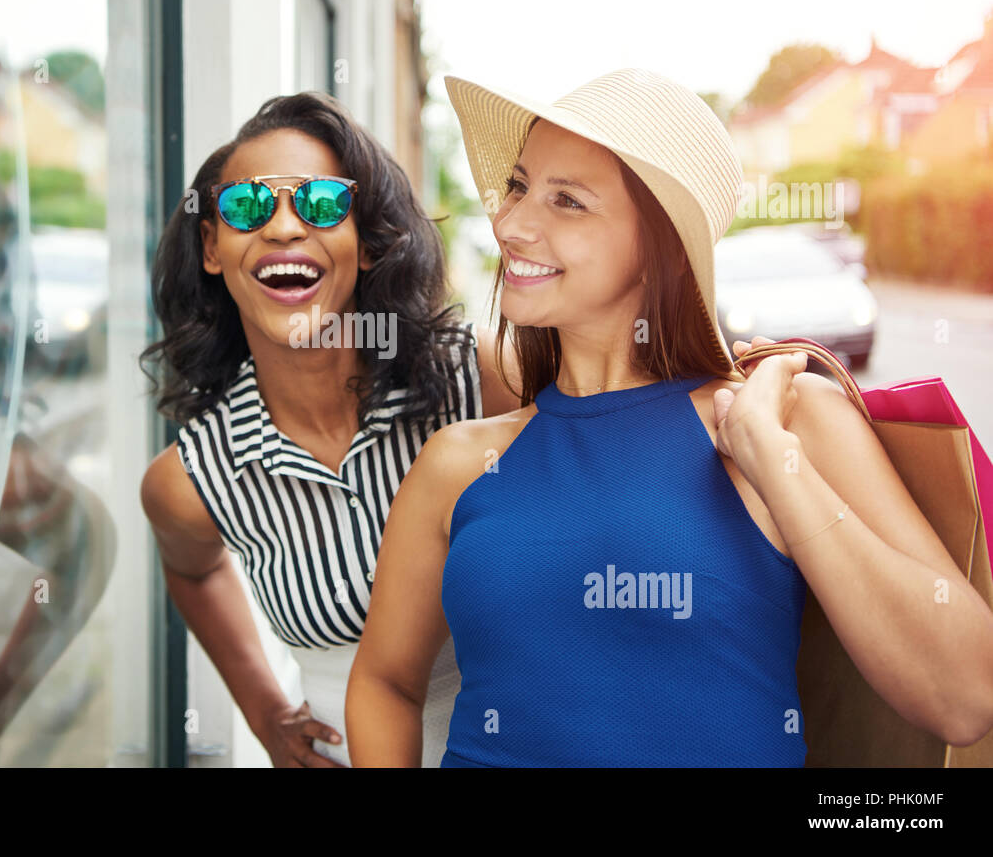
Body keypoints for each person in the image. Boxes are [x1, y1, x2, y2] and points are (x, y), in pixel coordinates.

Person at [346, 68, 993, 767]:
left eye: (568, 201)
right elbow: (384, 682)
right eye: (519, 186)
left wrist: (773, 462)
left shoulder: (786, 420)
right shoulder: (457, 463)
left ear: (660, 251)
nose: (511, 222)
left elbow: (966, 695)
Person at [139, 91, 520, 767]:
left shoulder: (481, 376)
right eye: (249, 205)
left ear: (367, 243)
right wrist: (263, 711)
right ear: (212, 245)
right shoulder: (192, 479)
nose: (284, 228)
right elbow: (193, 574)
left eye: (320, 203)